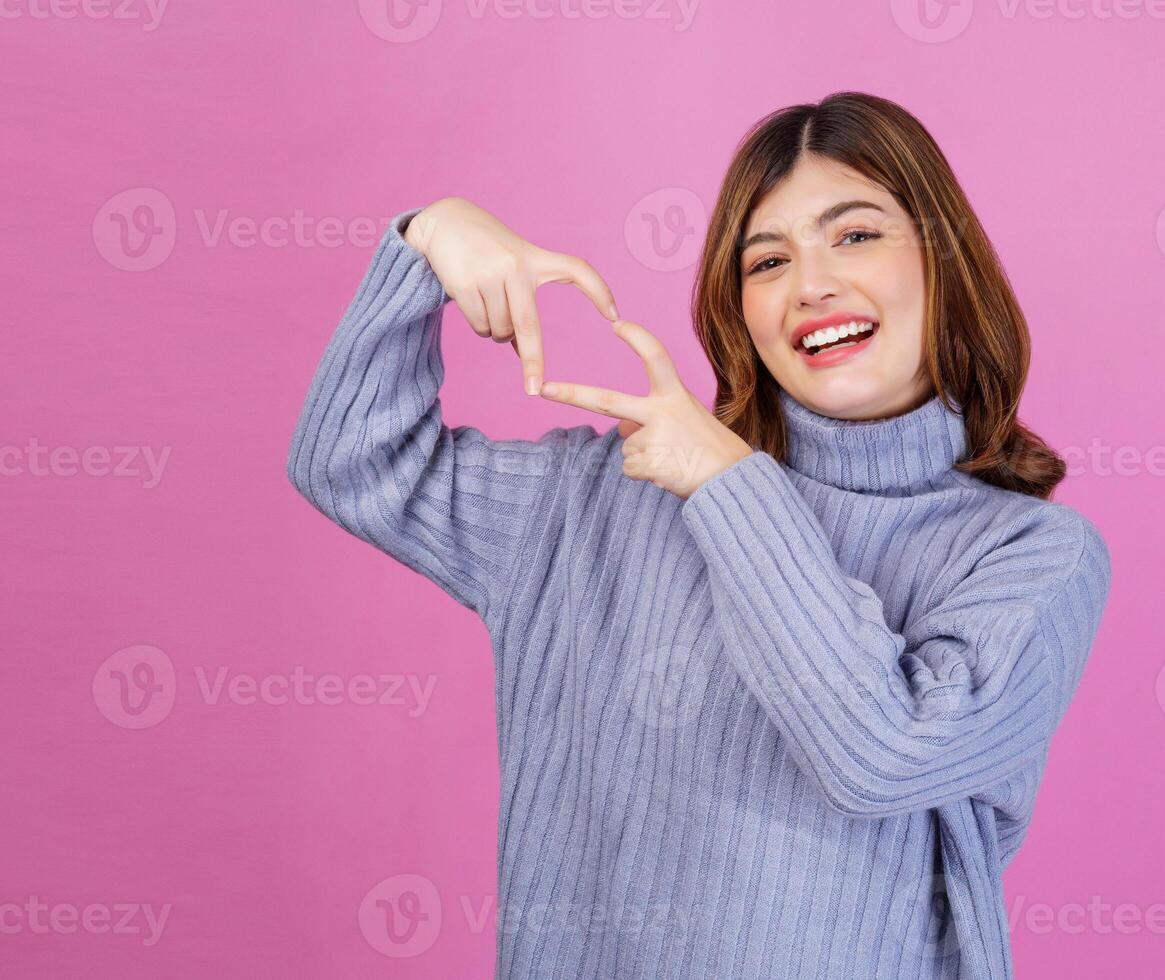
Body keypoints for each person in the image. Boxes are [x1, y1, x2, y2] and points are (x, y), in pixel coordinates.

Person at [287, 90, 1112, 980]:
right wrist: (432, 240)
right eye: (766, 261)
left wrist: (726, 483)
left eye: (857, 234)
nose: (812, 284)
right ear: (740, 313)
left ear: (945, 263)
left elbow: (882, 756)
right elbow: (353, 464)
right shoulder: (599, 496)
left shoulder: (1031, 555)